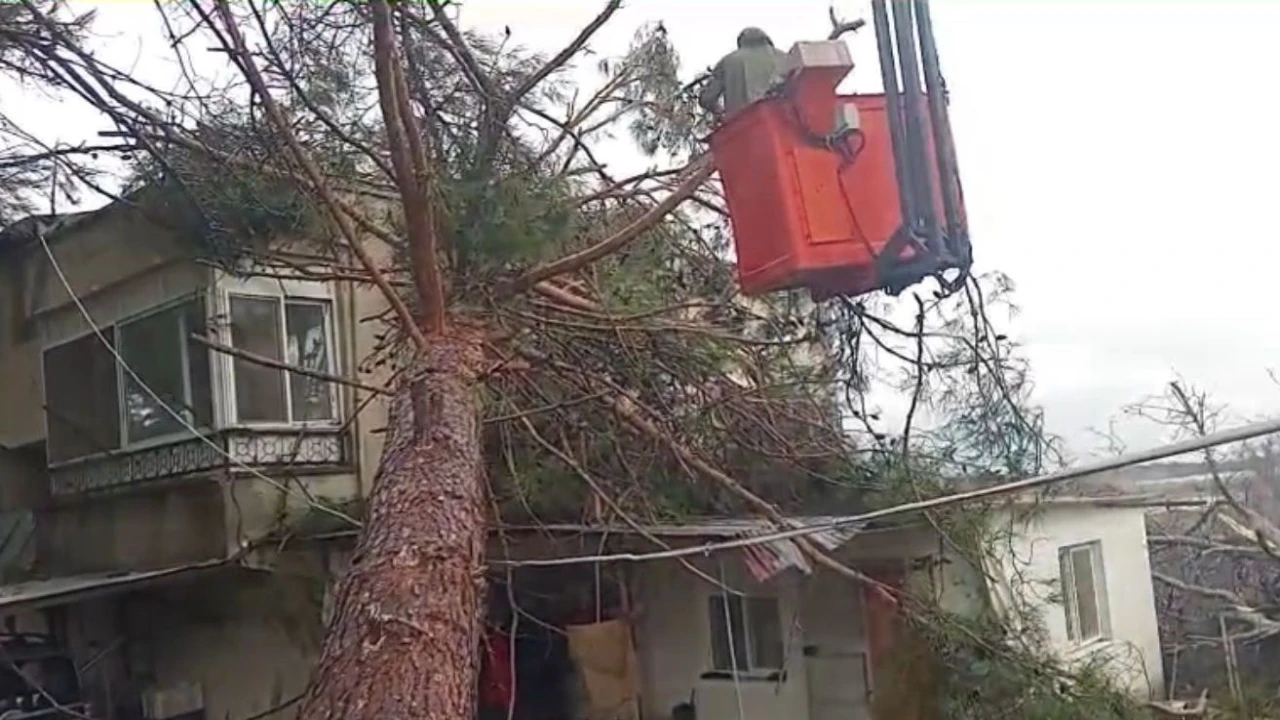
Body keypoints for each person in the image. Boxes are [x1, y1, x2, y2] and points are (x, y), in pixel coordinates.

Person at [698, 27, 791, 119]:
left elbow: (707, 98)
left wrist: (720, 112)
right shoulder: (783, 57)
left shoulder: (727, 61)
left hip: (743, 126)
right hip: (784, 121)